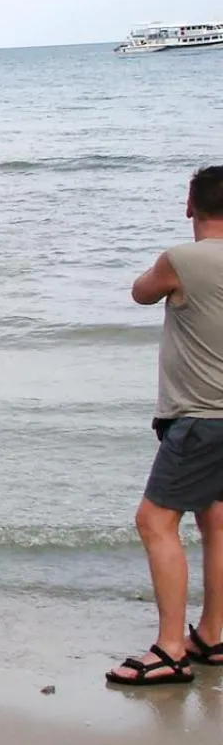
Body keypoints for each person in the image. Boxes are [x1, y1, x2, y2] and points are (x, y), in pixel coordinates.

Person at [107, 165, 223, 687]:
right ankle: (213, 634)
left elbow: (141, 292)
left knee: (155, 521)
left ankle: (171, 648)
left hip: (198, 415)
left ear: (189, 205)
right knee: (216, 521)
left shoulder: (181, 260)